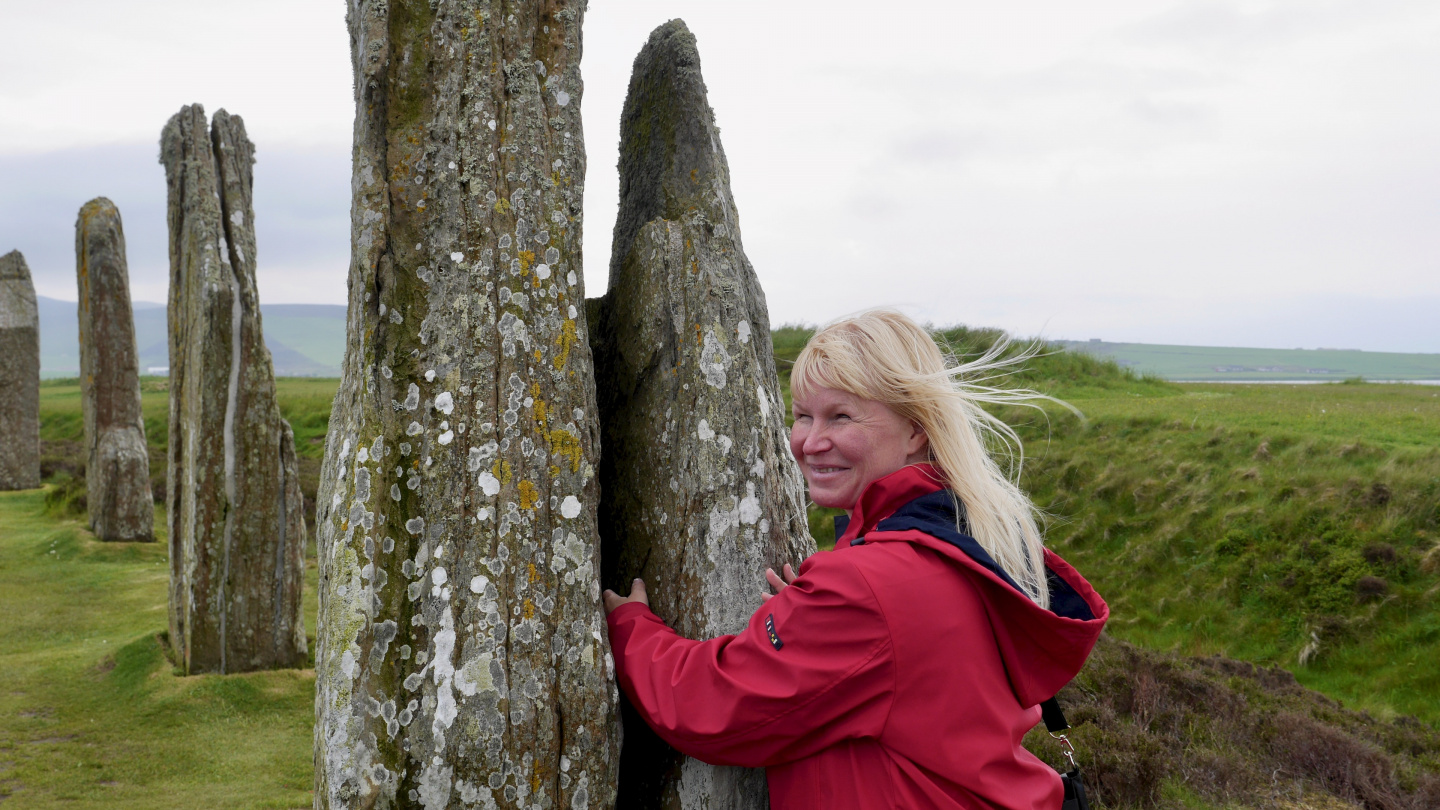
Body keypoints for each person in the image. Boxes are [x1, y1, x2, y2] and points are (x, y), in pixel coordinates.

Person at [603, 310, 1108, 809]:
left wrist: (629, 627)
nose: (809, 442)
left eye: (841, 416)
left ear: (915, 430)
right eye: (803, 414)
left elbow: (712, 707)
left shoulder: (870, 584)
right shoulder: (968, 538)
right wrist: (818, 627)